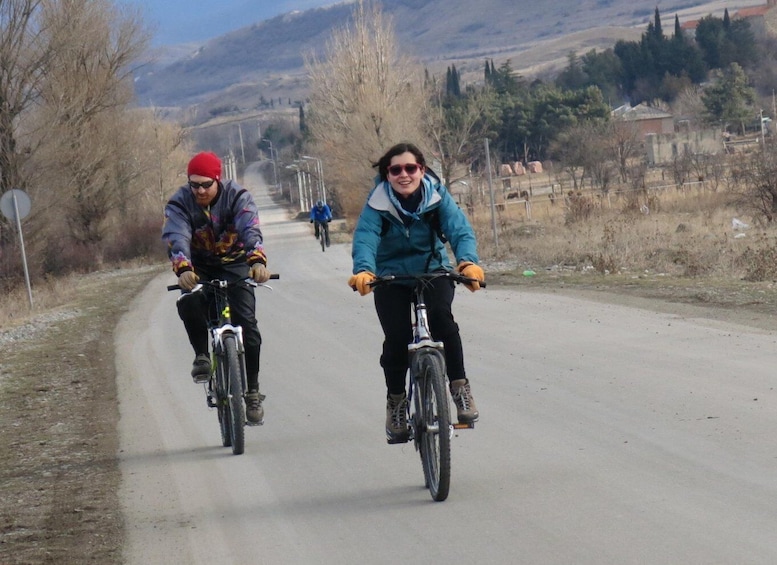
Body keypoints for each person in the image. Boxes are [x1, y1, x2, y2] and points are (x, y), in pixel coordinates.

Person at [348, 142, 485, 444]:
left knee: (442, 321)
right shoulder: (378, 203)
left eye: (411, 168)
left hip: (431, 268)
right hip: (390, 277)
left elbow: (458, 228)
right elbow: (366, 237)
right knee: (396, 338)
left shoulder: (437, 197)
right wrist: (363, 270)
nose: (404, 174)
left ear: (422, 170)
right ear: (387, 174)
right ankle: (396, 402)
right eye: (396, 169)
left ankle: (459, 388)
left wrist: (468, 262)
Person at [161, 151, 271, 425]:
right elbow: (177, 235)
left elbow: (250, 228)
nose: (199, 190)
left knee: (248, 323)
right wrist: (184, 268)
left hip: (234, 262)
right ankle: (201, 355)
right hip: (198, 265)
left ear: (217, 181)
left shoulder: (237, 197)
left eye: (205, 184)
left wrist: (257, 261)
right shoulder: (179, 203)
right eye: (193, 184)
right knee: (190, 302)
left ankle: (253, 392)